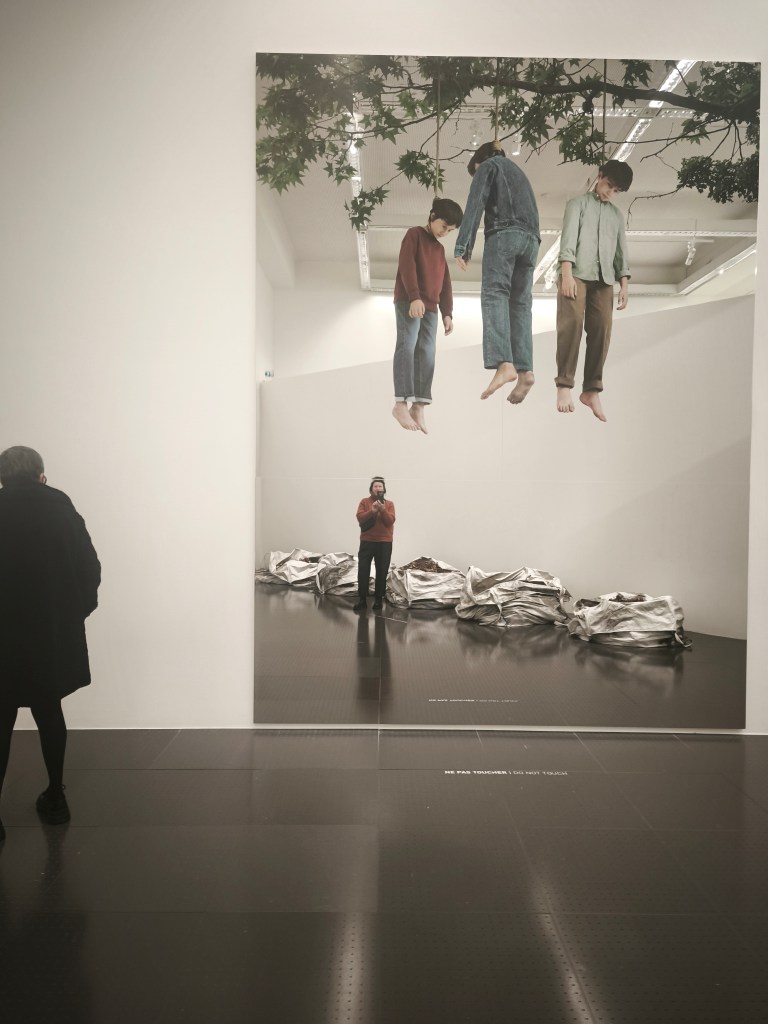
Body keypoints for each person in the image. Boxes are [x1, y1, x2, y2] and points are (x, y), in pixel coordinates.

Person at [0, 447, 101, 842]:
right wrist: (71, 615)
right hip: (49, 634)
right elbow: (89, 568)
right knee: (49, 710)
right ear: (41, 475)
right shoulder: (61, 507)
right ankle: (56, 798)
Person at [453, 141, 540, 403]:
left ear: (478, 162)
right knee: (520, 304)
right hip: (531, 242)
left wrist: (463, 246)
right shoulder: (519, 172)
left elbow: (476, 202)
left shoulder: (488, 166)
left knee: (495, 293)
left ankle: (504, 363)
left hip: (504, 235)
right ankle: (525, 369)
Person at [555, 159, 633, 422]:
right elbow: (568, 240)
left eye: (616, 191)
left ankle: (591, 389)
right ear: (600, 176)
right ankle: (564, 384)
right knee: (572, 324)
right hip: (576, 272)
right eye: (609, 185)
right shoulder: (577, 204)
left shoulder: (616, 216)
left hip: (604, 278)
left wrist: (624, 284)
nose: (610, 192)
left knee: (603, 329)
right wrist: (566, 274)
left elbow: (621, 251)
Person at [393, 196, 463, 434]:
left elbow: (445, 282)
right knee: (407, 345)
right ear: (433, 216)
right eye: (444, 226)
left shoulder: (440, 250)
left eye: (450, 230)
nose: (445, 232)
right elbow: (406, 264)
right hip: (410, 301)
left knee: (427, 353)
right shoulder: (414, 235)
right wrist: (414, 296)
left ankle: (419, 405)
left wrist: (447, 313)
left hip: (431, 307)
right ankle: (401, 403)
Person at [354, 476, 395, 613]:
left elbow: (390, 521)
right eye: (375, 486)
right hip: (367, 542)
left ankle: (378, 599)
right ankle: (362, 600)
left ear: (384, 489)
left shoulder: (389, 504)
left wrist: (382, 510)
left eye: (380, 486)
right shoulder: (364, 502)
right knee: (363, 570)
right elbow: (360, 518)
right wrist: (372, 511)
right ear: (371, 489)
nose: (378, 488)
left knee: (382, 571)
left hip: (384, 543)